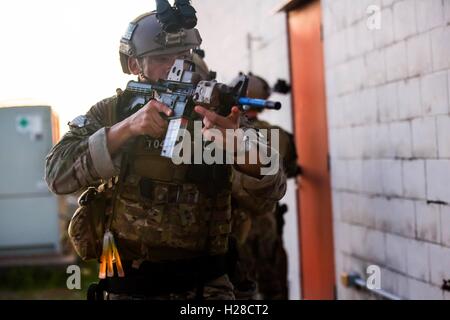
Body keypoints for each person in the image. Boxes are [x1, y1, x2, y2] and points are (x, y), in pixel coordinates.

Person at [45, 11, 286, 300]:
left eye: (184, 56)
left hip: (206, 289)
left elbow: (274, 188)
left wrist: (237, 146)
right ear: (135, 64)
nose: (177, 67)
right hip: (128, 285)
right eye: (163, 59)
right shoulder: (113, 112)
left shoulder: (217, 115)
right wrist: (125, 130)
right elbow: (57, 176)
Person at [230, 73, 300, 300]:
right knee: (274, 288)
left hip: (233, 229)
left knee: (240, 292)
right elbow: (292, 167)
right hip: (267, 226)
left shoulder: (220, 132)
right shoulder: (277, 135)